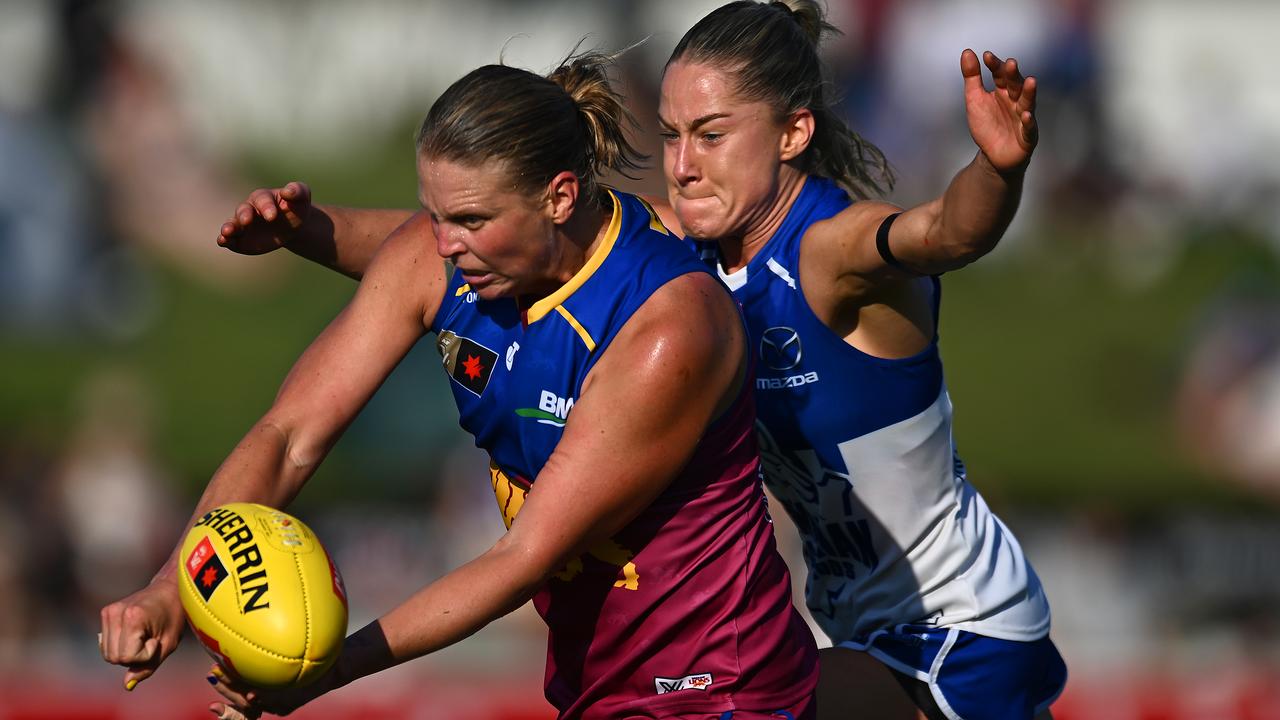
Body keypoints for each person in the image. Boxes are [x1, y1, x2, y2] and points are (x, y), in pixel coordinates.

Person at [217, 3, 1067, 718]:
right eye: (669, 135)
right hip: (847, 624)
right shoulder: (687, 245)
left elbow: (944, 232)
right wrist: (309, 229)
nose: (684, 164)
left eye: (711, 134)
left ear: (792, 133)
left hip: (962, 629)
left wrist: (998, 171)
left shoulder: (831, 251)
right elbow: (459, 248)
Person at [99, 51, 820, 720]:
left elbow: (522, 558)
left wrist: (328, 670)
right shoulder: (444, 256)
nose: (441, 243)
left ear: (561, 197)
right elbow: (287, 437)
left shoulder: (667, 326)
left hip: (718, 688)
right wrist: (173, 586)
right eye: (434, 213)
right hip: (593, 683)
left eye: (470, 219)